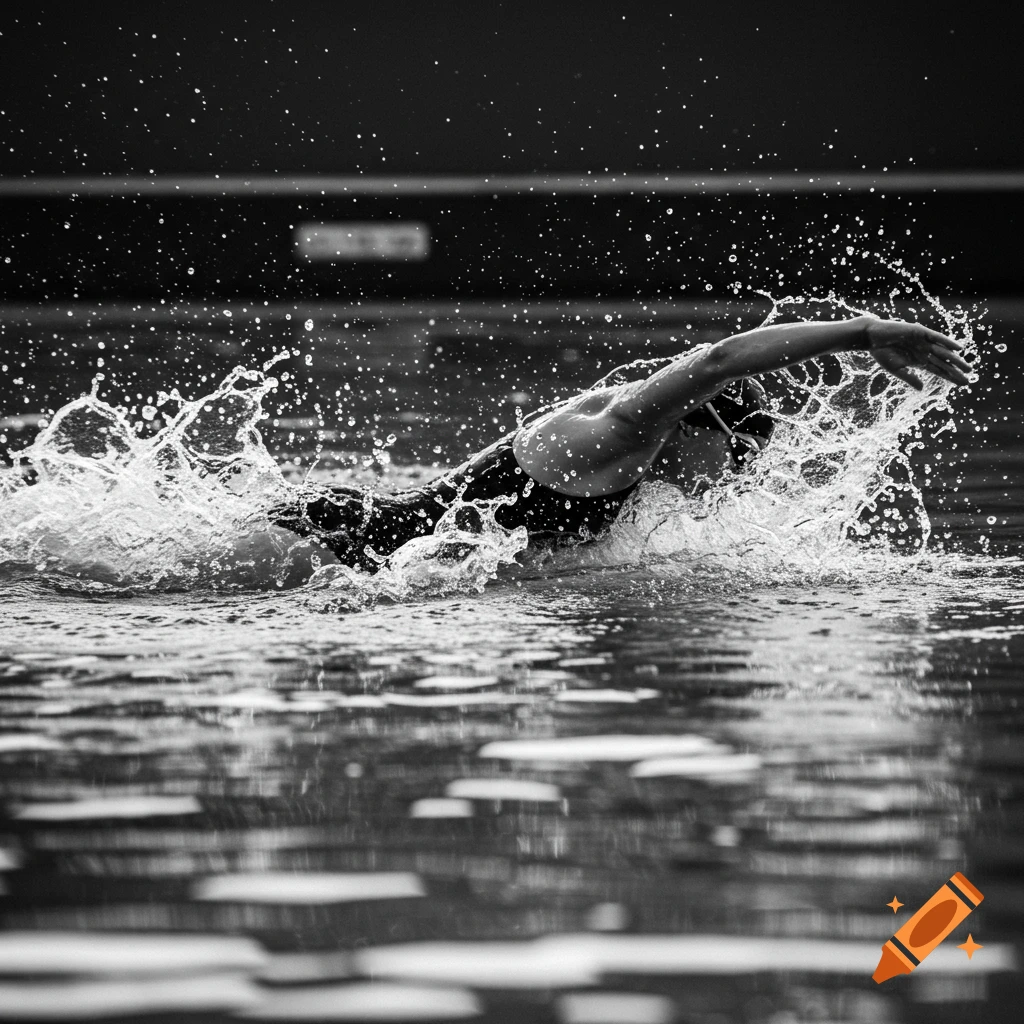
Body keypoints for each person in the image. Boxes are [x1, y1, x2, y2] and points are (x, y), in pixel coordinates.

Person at [271, 314, 971, 572]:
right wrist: (862, 332)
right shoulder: (621, 434)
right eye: (732, 461)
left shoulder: (630, 460)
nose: (726, 481)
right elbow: (715, 363)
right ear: (702, 426)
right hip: (341, 542)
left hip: (372, 551)